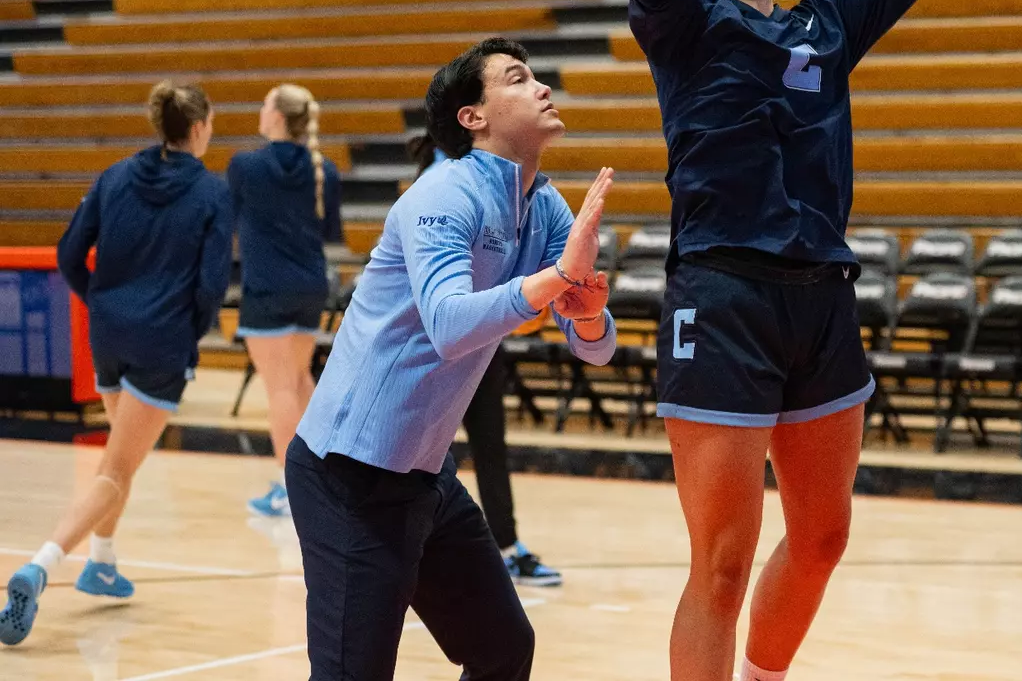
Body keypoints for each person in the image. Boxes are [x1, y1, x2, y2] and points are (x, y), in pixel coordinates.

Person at [630, 0, 959, 681]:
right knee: (724, 560)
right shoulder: (685, 27)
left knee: (821, 540)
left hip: (821, 295)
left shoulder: (826, 26)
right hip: (722, 294)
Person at [286, 38, 617, 681]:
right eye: (518, 80)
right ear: (474, 116)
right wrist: (554, 281)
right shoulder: (442, 196)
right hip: (349, 475)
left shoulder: (543, 204)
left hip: (425, 475)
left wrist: (588, 312)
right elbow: (447, 324)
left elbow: (594, 350)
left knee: (502, 648)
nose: (542, 88)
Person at [2, 83, 231, 647]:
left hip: (107, 333)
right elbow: (211, 285)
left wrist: (98, 300)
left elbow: (67, 254)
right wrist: (189, 333)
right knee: (116, 471)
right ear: (198, 128)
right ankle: (42, 564)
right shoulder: (213, 192)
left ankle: (102, 562)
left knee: (116, 460)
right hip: (161, 344)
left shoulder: (114, 175)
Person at [408, 135, 565, 588]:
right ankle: (411, 547)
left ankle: (508, 545)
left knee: (490, 445)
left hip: (481, 344)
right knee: (421, 455)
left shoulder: (503, 188)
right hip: (434, 350)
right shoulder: (441, 186)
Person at [229, 83, 343, 518]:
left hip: (266, 290)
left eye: (264, 104)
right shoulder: (324, 170)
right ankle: (324, 478)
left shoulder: (245, 165)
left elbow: (230, 223)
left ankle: (290, 488)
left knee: (280, 388)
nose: (260, 110)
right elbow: (330, 231)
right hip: (310, 287)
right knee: (298, 383)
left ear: (276, 116)